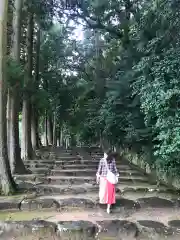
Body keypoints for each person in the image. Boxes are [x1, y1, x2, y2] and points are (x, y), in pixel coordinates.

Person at [96, 149, 119, 214]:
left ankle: (104, 202)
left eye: (105, 153)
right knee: (110, 193)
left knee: (103, 192)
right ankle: (108, 208)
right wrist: (116, 176)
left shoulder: (102, 160)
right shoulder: (113, 160)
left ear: (107, 154)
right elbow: (115, 170)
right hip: (110, 179)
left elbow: (99, 170)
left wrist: (97, 178)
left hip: (103, 179)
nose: (104, 154)